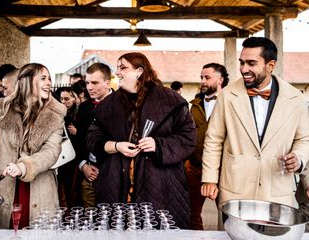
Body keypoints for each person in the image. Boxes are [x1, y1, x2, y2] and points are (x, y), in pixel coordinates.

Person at [86, 52, 196, 228]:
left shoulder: (171, 100)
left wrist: (157, 144)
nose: (118, 73)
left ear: (139, 71)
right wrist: (116, 146)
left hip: (160, 183)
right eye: (117, 68)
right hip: (116, 183)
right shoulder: (109, 103)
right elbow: (92, 138)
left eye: (123, 68)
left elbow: (188, 138)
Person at [201, 37, 309, 209]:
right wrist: (209, 179)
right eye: (242, 63)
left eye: (251, 63)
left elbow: (304, 139)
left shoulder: (296, 99)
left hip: (277, 193)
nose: (244, 69)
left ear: (270, 65)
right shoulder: (226, 96)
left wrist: (299, 158)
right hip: (234, 192)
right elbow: (213, 140)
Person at [0, 63, 66, 229]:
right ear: (27, 81)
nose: (49, 83)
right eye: (43, 78)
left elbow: (51, 152)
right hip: (4, 188)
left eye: (50, 79)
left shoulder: (55, 116)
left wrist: (24, 166)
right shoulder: (2, 110)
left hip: (39, 191)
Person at [186, 63, 229, 230]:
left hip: (223, 169)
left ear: (220, 80)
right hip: (195, 167)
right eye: (201, 77)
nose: (203, 81)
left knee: (228, 214)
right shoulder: (194, 105)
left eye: (207, 77)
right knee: (191, 212)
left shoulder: (232, 102)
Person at [76, 62, 112, 208]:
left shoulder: (123, 104)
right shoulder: (84, 108)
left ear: (107, 83)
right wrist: (83, 165)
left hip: (112, 175)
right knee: (89, 220)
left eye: (95, 82)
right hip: (88, 174)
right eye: (88, 82)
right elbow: (78, 140)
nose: (89, 87)